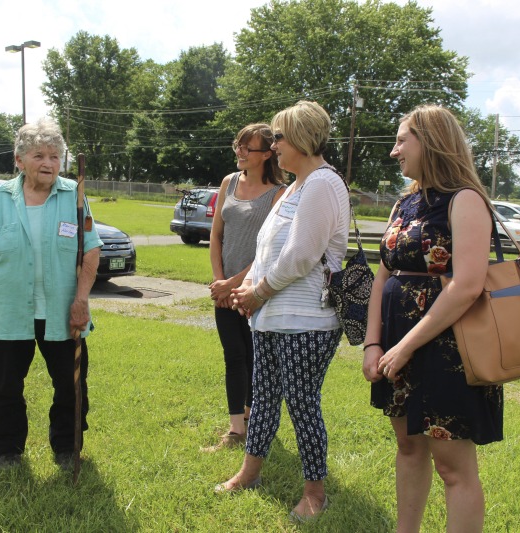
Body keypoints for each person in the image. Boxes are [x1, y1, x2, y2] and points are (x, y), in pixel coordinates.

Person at [362, 105, 503, 533]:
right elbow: (382, 273)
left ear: (432, 141)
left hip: (447, 349)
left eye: (403, 139)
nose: (394, 151)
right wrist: (373, 343)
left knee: (452, 466)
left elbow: (467, 285)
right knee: (407, 447)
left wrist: (404, 348)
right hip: (396, 343)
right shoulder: (405, 202)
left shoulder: (465, 200)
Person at [0, 117, 103, 470]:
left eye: (55, 156)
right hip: (10, 312)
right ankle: (7, 451)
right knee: (3, 388)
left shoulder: (75, 194)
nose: (49, 164)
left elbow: (90, 249)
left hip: (63, 311)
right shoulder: (0, 199)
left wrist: (81, 300)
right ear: (19, 160)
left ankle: (67, 449)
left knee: (71, 387)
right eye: (40, 155)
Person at [214, 100, 350, 523]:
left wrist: (259, 292)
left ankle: (315, 493)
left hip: (306, 321)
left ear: (303, 139)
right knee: (266, 400)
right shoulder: (294, 186)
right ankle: (249, 474)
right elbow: (265, 249)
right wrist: (246, 287)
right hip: (272, 317)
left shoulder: (323, 184)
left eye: (279, 137)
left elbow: (302, 255)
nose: (274, 146)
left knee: (302, 404)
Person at [202, 124, 286, 452]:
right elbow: (216, 235)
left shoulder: (279, 192)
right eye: (237, 145)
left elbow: (270, 250)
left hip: (254, 290)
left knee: (254, 357)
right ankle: (236, 428)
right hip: (224, 289)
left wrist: (236, 283)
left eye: (246, 148)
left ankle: (253, 419)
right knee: (232, 355)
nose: (239, 152)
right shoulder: (228, 182)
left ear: (266, 154)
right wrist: (219, 280)